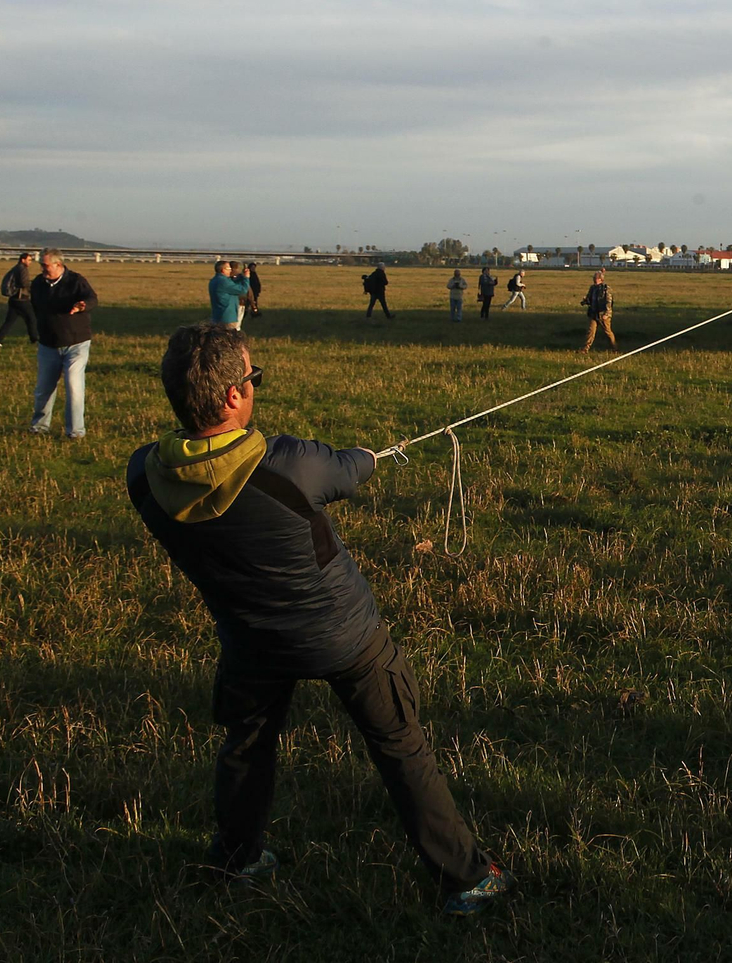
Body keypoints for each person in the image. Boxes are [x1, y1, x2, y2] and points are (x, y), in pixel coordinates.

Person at [125, 323, 512, 915]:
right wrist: (369, 457)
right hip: (347, 638)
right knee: (401, 746)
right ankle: (468, 878)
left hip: (249, 642)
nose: (255, 385)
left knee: (246, 745)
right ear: (232, 396)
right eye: (253, 377)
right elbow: (349, 470)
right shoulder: (289, 464)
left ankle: (237, 858)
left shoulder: (145, 475)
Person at [30, 248, 97, 439]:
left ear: (58, 264)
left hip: (76, 343)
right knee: (44, 389)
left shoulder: (76, 281)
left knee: (74, 387)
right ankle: (39, 427)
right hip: (48, 344)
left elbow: (92, 299)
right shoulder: (38, 284)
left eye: (45, 265)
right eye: (41, 265)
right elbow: (35, 307)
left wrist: (83, 306)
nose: (42, 269)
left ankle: (75, 432)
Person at [0, 250, 37, 348]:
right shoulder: (22, 269)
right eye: (29, 260)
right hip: (21, 299)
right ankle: (34, 340)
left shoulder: (15, 268)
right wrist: (33, 285)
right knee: (31, 319)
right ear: (23, 260)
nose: (30, 262)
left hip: (13, 299)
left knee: (9, 322)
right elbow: (24, 283)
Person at [581, 269, 617, 352]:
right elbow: (589, 298)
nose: (594, 280)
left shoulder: (606, 289)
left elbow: (609, 302)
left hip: (602, 314)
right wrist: (585, 301)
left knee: (607, 332)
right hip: (593, 313)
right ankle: (585, 349)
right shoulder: (592, 288)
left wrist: (606, 314)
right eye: (594, 278)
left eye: (596, 278)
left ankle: (614, 348)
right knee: (591, 331)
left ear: (601, 279)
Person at [209, 261, 251, 329]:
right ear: (223, 270)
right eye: (229, 269)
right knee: (229, 335)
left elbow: (232, 284)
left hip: (217, 316)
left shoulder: (215, 280)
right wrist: (246, 278)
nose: (231, 270)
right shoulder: (224, 282)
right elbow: (243, 290)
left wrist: (241, 276)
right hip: (227, 318)